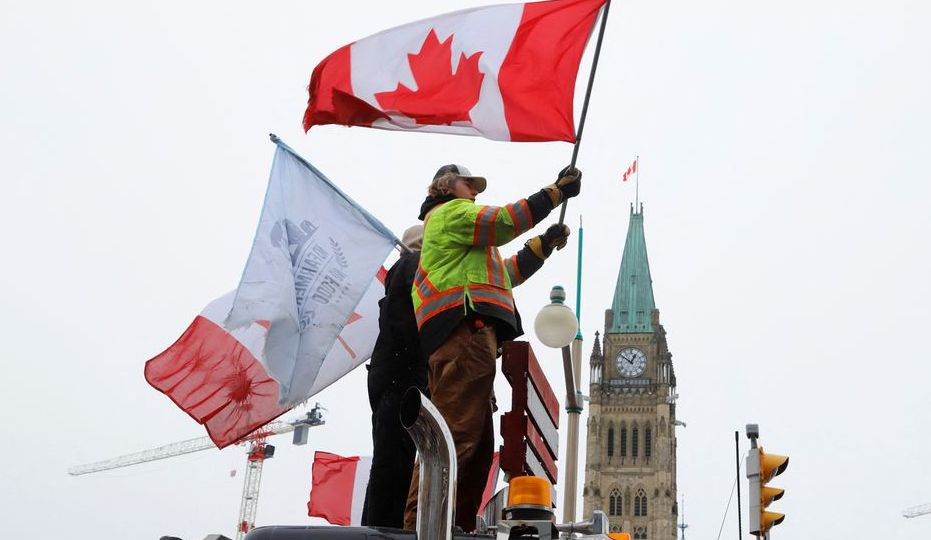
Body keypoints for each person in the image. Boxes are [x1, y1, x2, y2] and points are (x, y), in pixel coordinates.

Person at [404, 163, 581, 531]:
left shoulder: (463, 246)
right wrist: (554, 193)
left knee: (478, 447)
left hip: (464, 334)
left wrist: (542, 247)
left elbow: (505, 275)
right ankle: (419, 530)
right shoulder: (451, 212)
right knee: (455, 437)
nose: (475, 191)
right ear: (447, 186)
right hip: (465, 330)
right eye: (469, 184)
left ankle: (456, 527)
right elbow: (502, 222)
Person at [361, 224, 427, 529]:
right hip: (403, 377)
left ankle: (382, 527)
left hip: (393, 376)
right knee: (395, 462)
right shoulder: (414, 266)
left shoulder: (402, 270)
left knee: (392, 460)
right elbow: (415, 329)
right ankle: (385, 530)